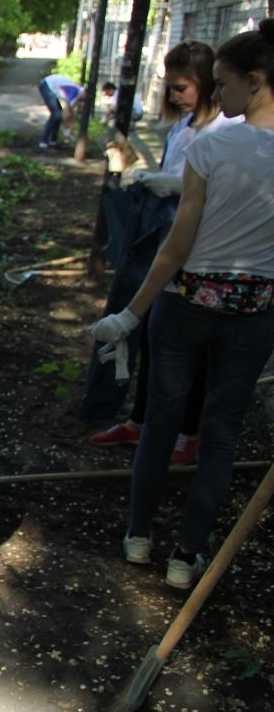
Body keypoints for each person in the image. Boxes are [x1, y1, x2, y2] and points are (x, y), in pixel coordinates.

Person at [90, 19, 274, 589]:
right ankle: (186, 556)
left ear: (257, 81)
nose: (219, 96)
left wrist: (130, 314)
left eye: (224, 84)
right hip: (256, 312)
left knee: (161, 423)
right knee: (221, 431)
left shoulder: (214, 144)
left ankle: (139, 536)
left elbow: (177, 245)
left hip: (187, 304)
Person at [89, 41, 239, 464]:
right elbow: (175, 176)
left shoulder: (226, 132)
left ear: (209, 83)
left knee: (192, 350)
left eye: (181, 87)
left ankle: (187, 434)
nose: (173, 96)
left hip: (200, 257)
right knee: (153, 338)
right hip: (164, 247)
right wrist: (149, 178)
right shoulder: (183, 128)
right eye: (170, 88)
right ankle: (140, 422)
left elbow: (218, 196)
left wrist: (175, 188)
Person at [37, 72, 84, 147]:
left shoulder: (76, 93)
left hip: (50, 87)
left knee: (58, 115)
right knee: (56, 115)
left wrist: (70, 127)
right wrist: (67, 129)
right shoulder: (74, 92)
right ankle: (44, 141)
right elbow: (66, 113)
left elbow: (70, 113)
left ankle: (53, 140)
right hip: (47, 85)